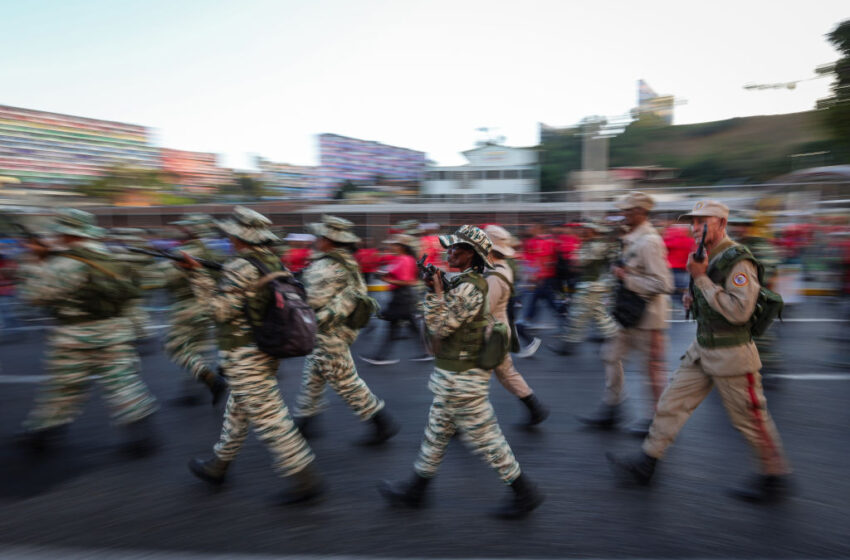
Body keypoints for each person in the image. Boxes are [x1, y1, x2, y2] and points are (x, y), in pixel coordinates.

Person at [607, 200, 792, 503]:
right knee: (670, 404)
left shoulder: (738, 261)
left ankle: (775, 476)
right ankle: (647, 463)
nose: (693, 229)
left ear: (720, 223)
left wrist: (702, 279)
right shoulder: (706, 256)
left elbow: (739, 312)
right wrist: (693, 296)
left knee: (750, 419)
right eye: (691, 222)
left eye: (700, 222)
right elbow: (710, 296)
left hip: (732, 355)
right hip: (703, 349)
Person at [379, 225, 544, 519]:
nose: (449, 252)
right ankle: (416, 490)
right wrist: (440, 284)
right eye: (450, 247)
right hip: (453, 373)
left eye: (457, 248)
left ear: (473, 255)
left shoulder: (471, 287)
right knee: (436, 433)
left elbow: (439, 329)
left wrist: (434, 294)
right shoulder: (468, 281)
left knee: (486, 440)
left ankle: (524, 492)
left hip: (463, 377)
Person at [182, 206, 321, 505]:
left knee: (270, 419)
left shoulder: (240, 266)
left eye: (231, 235)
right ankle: (219, 465)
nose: (229, 239)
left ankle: (304, 479)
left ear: (239, 237)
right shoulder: (270, 261)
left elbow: (218, 311)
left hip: (245, 354)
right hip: (263, 349)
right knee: (238, 411)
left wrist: (197, 277)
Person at [17, 209, 158, 455]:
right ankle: (143, 436)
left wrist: (34, 261)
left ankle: (42, 435)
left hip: (74, 338)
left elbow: (32, 296)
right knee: (124, 383)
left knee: (64, 388)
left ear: (68, 234)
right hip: (115, 332)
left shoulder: (63, 264)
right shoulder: (110, 256)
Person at [294, 215, 400, 445]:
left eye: (320, 236)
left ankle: (382, 423)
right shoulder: (346, 262)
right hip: (341, 328)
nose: (316, 240)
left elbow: (309, 302)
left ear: (329, 240)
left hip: (328, 332)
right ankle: (305, 420)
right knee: (313, 373)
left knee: (345, 381)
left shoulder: (324, 266)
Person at [580, 192, 673, 436]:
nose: (623, 215)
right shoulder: (631, 238)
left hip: (648, 316)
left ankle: (656, 420)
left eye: (628, 211)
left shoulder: (649, 242)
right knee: (610, 355)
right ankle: (613, 406)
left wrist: (627, 278)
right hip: (627, 313)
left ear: (641, 212)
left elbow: (664, 283)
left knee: (650, 369)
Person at [484, 225, 549, 426]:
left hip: (488, 334)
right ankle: (535, 408)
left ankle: (464, 419)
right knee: (506, 373)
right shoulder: (498, 268)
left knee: (471, 378)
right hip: (498, 331)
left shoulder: (495, 275)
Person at [161, 214, 227, 406]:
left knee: (175, 346)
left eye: (185, 227)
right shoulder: (213, 251)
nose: (181, 230)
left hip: (187, 306)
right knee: (200, 346)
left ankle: (210, 379)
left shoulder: (183, 253)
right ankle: (194, 390)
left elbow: (167, 279)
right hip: (208, 304)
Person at [361, 233, 432, 365]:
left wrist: (386, 279)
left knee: (394, 326)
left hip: (402, 298)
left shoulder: (405, 260)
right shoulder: (400, 259)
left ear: (402, 247)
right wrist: (383, 274)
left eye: (394, 244)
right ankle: (425, 353)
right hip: (402, 298)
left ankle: (381, 357)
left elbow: (407, 281)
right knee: (409, 327)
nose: (391, 246)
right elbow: (392, 271)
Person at [550, 223, 620, 356]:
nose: (583, 231)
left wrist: (579, 249)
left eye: (586, 229)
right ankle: (615, 340)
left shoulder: (596, 245)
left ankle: (568, 346)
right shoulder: (597, 243)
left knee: (577, 315)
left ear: (594, 231)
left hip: (591, 286)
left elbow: (578, 261)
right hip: (594, 285)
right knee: (600, 315)